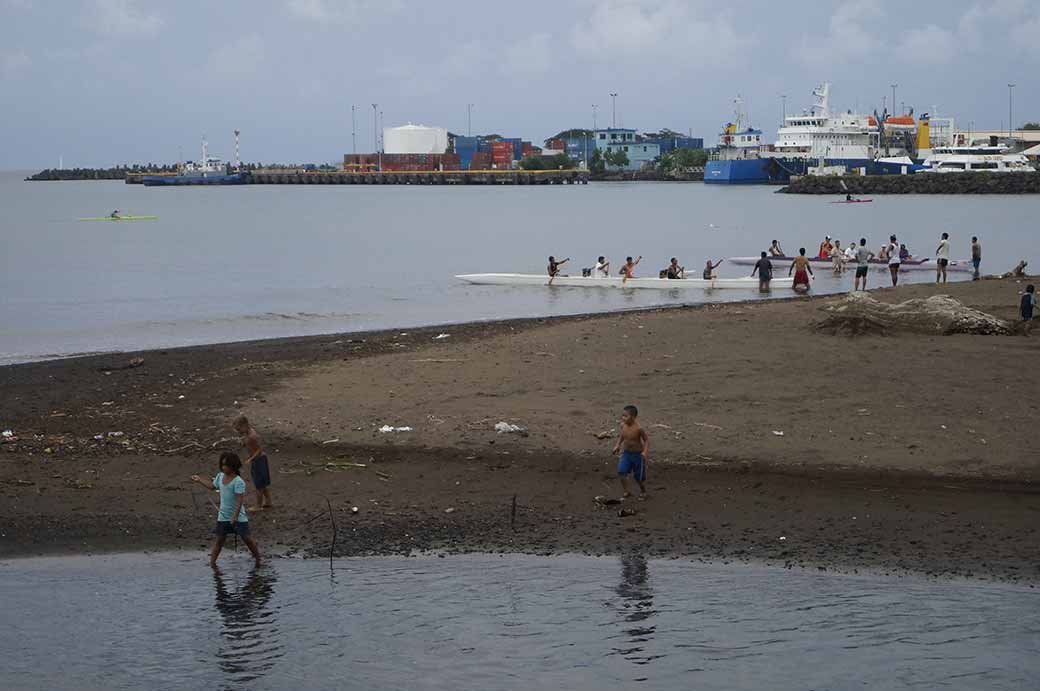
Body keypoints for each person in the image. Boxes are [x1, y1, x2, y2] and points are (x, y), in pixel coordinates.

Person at [191, 451, 261, 567]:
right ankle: (212, 563)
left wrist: (234, 516)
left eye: (226, 465)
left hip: (238, 517)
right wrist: (199, 480)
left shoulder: (238, 482)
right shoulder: (220, 476)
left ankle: (258, 558)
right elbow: (212, 486)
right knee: (219, 540)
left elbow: (239, 502)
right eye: (222, 465)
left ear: (233, 466)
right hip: (223, 516)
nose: (224, 468)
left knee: (246, 538)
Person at [235, 415, 272, 511]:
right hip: (258, 460)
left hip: (259, 460)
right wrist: (243, 442)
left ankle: (258, 506)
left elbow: (259, 449)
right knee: (262, 483)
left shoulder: (252, 436)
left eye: (239, 429)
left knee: (258, 485)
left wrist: (251, 459)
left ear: (245, 425)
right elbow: (249, 445)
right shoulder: (247, 434)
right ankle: (268, 501)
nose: (239, 432)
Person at [611, 405, 649, 500]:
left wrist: (645, 452)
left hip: (637, 456)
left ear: (633, 417)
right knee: (621, 471)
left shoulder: (639, 428)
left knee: (638, 477)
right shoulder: (623, 425)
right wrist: (617, 445)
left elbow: (647, 440)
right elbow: (622, 436)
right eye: (622, 415)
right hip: (626, 454)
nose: (623, 418)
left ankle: (643, 491)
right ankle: (626, 491)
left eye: (625, 416)